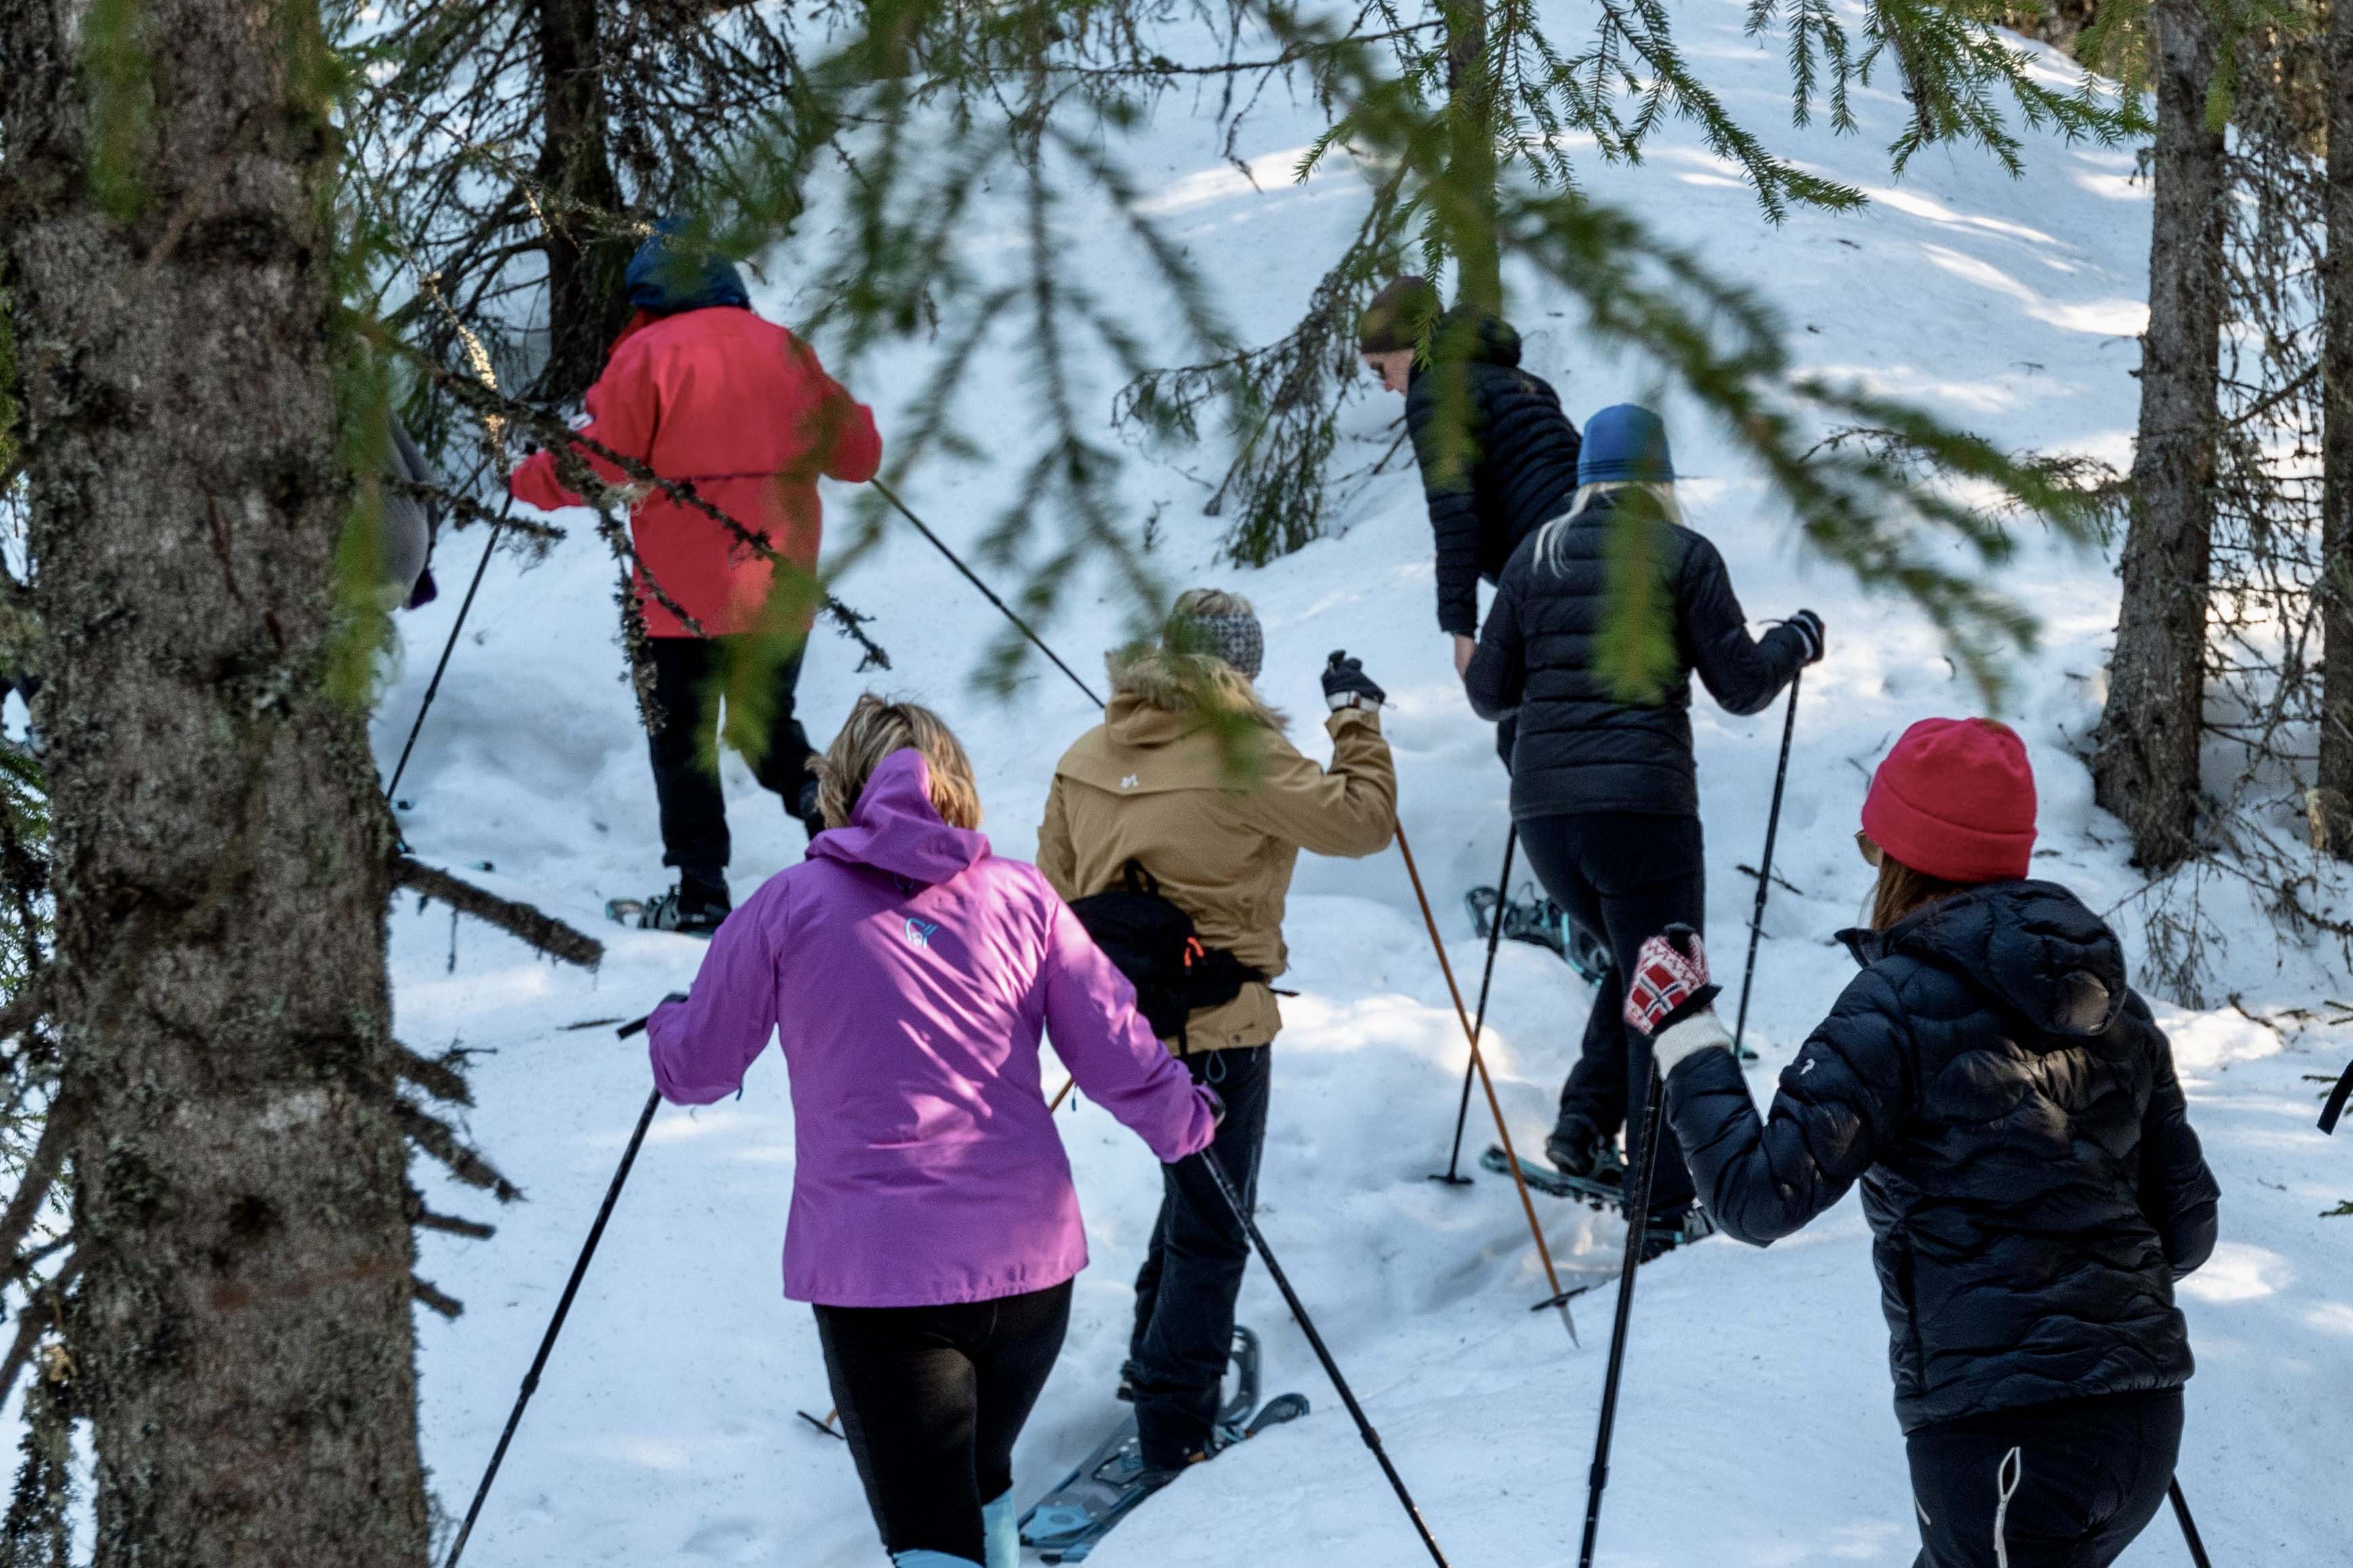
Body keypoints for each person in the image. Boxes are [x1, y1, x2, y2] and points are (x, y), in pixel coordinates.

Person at [645, 696, 1218, 1568]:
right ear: (959, 785)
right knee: (978, 1480)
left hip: (884, 1284)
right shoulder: (1022, 896)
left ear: (838, 783)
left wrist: (668, 1022)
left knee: (929, 1540)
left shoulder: (788, 904)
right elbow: (1116, 1048)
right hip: (1028, 1276)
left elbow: (698, 1067)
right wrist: (1188, 1123)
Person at [1634, 717, 2220, 1568]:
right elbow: (2185, 1233)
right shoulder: (2114, 1008)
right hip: (2143, 1427)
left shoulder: (1893, 1008)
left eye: (1874, 845)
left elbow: (1754, 1197)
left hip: (2000, 1446)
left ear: (1906, 857)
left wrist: (1684, 1034)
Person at [1036, 591, 1396, 1477]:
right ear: (1241, 669)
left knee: (1191, 1197)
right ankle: (1175, 1421)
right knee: (1214, 1223)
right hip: (1217, 1025)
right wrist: (1357, 721)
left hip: (1113, 1030)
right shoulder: (1246, 752)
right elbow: (1362, 821)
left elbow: (1051, 890)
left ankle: (1155, 1364)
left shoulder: (1084, 754)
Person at [1461, 403, 1823, 1255]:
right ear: (1660, 480)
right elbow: (1739, 685)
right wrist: (1792, 643)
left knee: (1634, 966)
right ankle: (1658, 1204)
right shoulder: (1681, 555)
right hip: (1643, 812)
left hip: (1547, 821)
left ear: (1585, 480)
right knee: (1668, 991)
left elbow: (1485, 692)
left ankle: (1585, 1124)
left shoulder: (1534, 556)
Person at [513, 218, 882, 935]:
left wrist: (527, 478)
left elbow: (602, 464)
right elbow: (857, 455)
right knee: (767, 727)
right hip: (776, 580)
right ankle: (836, 840)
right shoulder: (783, 349)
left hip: (676, 597)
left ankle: (700, 892)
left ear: (647, 296)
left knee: (682, 735)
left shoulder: (646, 355)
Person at [1358, 275, 1583, 683]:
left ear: (1407, 348)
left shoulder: (1436, 392)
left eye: (1380, 369)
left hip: (1549, 569)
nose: (1387, 385)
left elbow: (1456, 515)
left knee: (1533, 727)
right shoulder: (1518, 381)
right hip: (1603, 544)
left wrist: (1462, 632)